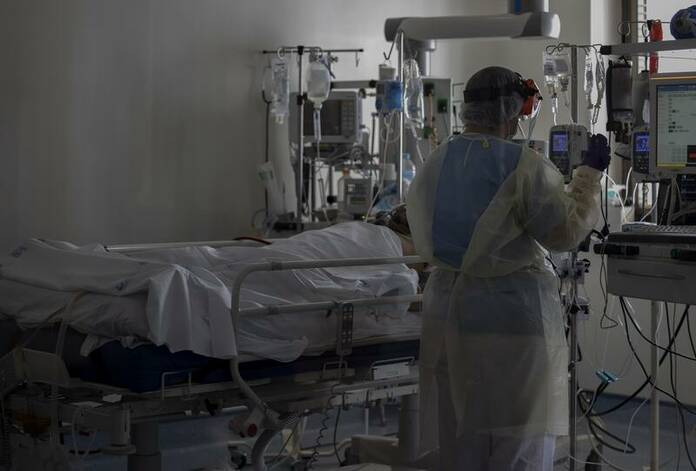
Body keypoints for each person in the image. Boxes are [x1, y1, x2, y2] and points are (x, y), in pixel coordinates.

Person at [406, 66, 610, 471]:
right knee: (519, 443)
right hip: (512, 322)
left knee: (461, 440)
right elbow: (564, 232)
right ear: (512, 108)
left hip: (450, 318)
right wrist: (588, 178)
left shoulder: (435, 162)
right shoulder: (523, 165)